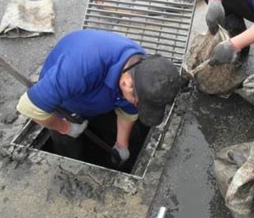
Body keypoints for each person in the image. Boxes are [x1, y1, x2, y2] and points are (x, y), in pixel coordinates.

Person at [16, 29, 181, 166]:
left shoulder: (140, 68)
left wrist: (122, 145)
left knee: (134, 137)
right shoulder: (80, 67)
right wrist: (64, 127)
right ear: (126, 84)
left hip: (102, 97)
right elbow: (29, 107)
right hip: (67, 107)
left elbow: (129, 111)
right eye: (138, 103)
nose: (138, 105)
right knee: (69, 155)